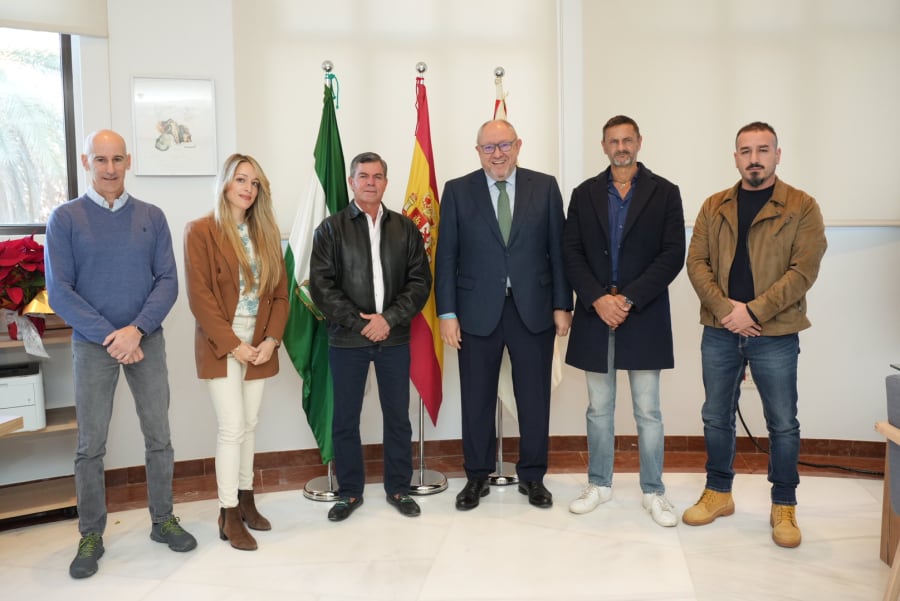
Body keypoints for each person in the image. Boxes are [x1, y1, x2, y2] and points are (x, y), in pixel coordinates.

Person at [44, 129, 197, 579]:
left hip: (146, 340)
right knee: (90, 446)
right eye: (100, 160)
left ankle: (162, 519)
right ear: (86, 161)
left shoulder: (152, 216)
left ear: (128, 162)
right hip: (93, 347)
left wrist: (136, 330)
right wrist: (113, 336)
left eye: (117, 159)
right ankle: (91, 533)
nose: (109, 168)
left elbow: (168, 280)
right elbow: (60, 292)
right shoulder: (65, 219)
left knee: (159, 436)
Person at [683, 121, 827, 548]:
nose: (754, 158)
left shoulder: (802, 206)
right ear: (735, 158)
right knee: (715, 415)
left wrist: (755, 312)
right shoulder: (714, 206)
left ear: (778, 155)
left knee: (782, 423)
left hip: (776, 331)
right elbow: (697, 264)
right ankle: (718, 492)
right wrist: (729, 312)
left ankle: (784, 504)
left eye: (763, 150)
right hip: (721, 331)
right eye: (745, 151)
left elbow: (804, 270)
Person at [435, 119, 573, 510]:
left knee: (534, 399)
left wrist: (563, 305)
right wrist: (447, 312)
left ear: (518, 145)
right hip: (476, 312)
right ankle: (476, 476)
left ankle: (533, 477)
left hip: (533, 310)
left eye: (504, 145)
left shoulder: (544, 187)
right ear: (477, 151)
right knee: (476, 399)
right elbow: (446, 257)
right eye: (489, 147)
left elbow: (558, 251)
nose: (497, 153)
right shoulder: (458, 191)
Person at [562, 115, 685, 527]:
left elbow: (672, 255)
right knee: (599, 408)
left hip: (644, 314)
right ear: (603, 146)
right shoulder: (583, 194)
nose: (621, 147)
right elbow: (571, 252)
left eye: (627, 140)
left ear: (639, 142)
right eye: (613, 141)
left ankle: (654, 490)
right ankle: (600, 483)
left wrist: (627, 299)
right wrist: (598, 299)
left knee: (648, 411)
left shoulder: (665, 193)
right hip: (596, 315)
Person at [309, 152, 431, 522]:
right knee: (346, 418)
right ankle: (348, 493)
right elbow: (321, 287)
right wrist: (362, 323)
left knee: (398, 417)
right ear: (351, 181)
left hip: (393, 338)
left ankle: (398, 487)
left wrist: (388, 319)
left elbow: (420, 281)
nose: (371, 182)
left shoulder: (405, 228)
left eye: (378, 176)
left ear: (386, 182)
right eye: (363, 176)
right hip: (348, 341)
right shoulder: (330, 229)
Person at [183, 153, 288, 551]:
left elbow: (280, 294)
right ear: (225, 183)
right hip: (222, 343)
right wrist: (235, 346)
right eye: (241, 180)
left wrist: (270, 341)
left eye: (255, 182)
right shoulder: (201, 231)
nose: (248, 188)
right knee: (231, 427)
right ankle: (227, 512)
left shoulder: (266, 231)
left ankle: (246, 499)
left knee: (250, 423)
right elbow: (201, 299)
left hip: (260, 343)